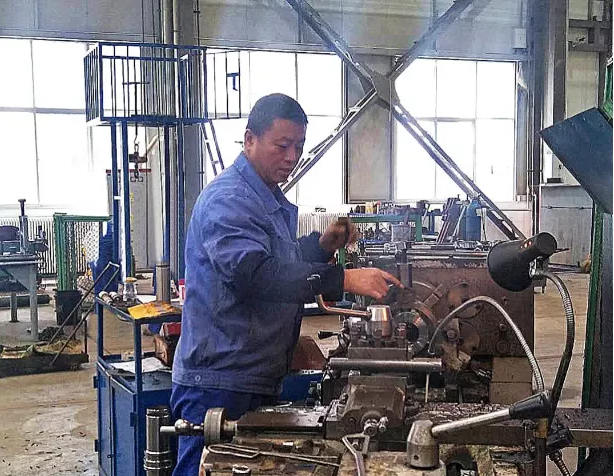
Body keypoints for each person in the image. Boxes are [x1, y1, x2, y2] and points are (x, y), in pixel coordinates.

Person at [171, 93, 402, 475]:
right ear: (249, 140)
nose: (292, 157)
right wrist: (343, 278)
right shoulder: (228, 199)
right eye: (282, 146)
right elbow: (255, 275)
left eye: (299, 146)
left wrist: (320, 246)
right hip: (219, 381)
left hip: (252, 374)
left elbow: (280, 260)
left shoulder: (264, 197)